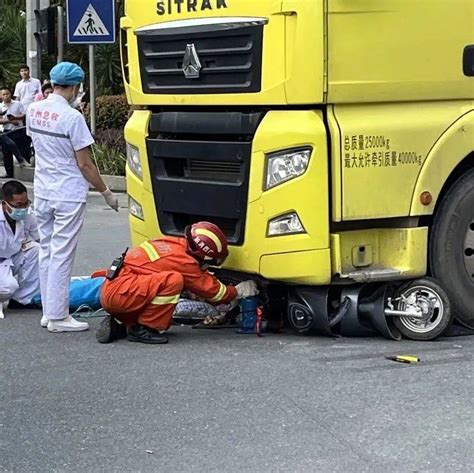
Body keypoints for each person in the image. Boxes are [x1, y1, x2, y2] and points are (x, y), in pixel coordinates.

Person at [26, 62, 119, 333]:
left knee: (46, 249)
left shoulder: (33, 109)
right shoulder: (72, 118)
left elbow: (37, 145)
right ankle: (58, 316)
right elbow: (85, 164)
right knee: (62, 254)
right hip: (67, 193)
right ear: (76, 86)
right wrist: (106, 192)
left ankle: (48, 311)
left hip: (42, 191)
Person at [94, 221, 259, 344]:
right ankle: (146, 328)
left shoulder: (173, 243)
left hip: (116, 290)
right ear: (204, 256)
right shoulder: (185, 263)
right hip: (121, 295)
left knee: (159, 287)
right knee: (173, 281)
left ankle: (121, 327)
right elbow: (215, 293)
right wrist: (238, 291)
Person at [0, 180, 40, 319]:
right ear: (5, 204)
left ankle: (22, 300)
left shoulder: (28, 216)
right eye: (18, 205)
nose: (23, 208)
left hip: (11, 257)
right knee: (8, 287)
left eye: (25, 203)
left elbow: (40, 239)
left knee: (36, 249)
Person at [0, 88, 31, 177]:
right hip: (6, 131)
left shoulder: (18, 104)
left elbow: (23, 115)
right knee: (7, 153)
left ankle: (25, 171)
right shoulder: (0, 106)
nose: (6, 96)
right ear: (1, 96)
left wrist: (15, 118)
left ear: (11, 94)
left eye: (7, 94)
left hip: (18, 130)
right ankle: (9, 173)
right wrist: (9, 121)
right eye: (4, 94)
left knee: (23, 150)